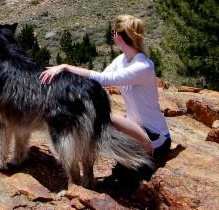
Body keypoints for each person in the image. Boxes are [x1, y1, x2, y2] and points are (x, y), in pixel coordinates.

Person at [39, 14, 171, 186]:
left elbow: (103, 80)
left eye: (113, 32)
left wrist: (65, 67)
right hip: (136, 127)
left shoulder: (143, 66)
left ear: (118, 35)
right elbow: (97, 80)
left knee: (105, 119)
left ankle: (147, 152)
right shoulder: (122, 59)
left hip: (155, 136)